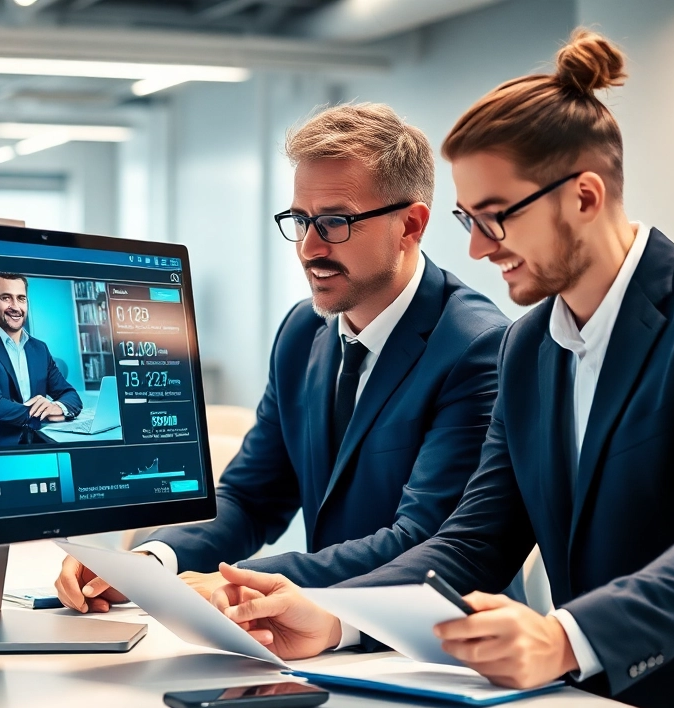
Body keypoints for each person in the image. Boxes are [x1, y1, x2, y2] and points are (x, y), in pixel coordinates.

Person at [209, 30, 674, 708]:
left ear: (584, 195)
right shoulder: (528, 347)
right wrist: (335, 615)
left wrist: (562, 636)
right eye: (468, 221)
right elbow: (474, 541)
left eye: (496, 216)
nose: (479, 250)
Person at [56, 104, 509, 612]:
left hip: (434, 641)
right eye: (300, 220)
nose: (309, 248)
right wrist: (154, 561)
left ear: (410, 225)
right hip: (322, 635)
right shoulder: (303, 332)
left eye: (334, 222)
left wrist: (237, 582)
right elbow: (250, 498)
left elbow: (421, 540)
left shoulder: (476, 347)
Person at [0, 272, 84, 446]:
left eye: (21, 298)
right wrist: (43, 413)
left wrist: (58, 407)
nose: (15, 306)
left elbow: (71, 396)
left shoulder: (40, 348)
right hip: (0, 445)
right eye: (6, 298)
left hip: (42, 441)